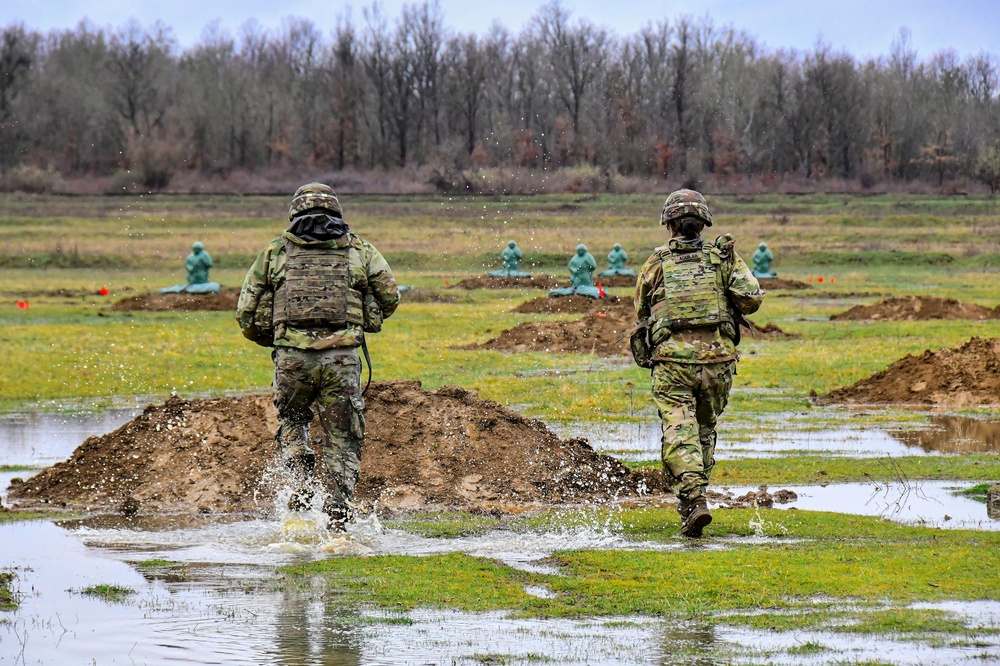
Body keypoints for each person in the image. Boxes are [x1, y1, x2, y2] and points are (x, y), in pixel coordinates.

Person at [236, 182, 399, 532]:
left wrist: (277, 341)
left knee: (294, 421)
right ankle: (338, 518)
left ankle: (299, 491)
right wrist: (363, 315)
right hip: (342, 361)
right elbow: (390, 298)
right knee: (342, 438)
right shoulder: (360, 249)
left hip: (291, 361)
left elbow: (246, 315)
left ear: (295, 212)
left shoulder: (275, 252)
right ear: (336, 212)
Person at [634, 189, 763, 538]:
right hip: (717, 362)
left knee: (679, 427)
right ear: (703, 223)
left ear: (670, 224)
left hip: (673, 362)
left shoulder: (656, 262)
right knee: (703, 430)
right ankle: (694, 499)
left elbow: (641, 311)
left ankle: (693, 498)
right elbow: (751, 299)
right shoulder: (724, 259)